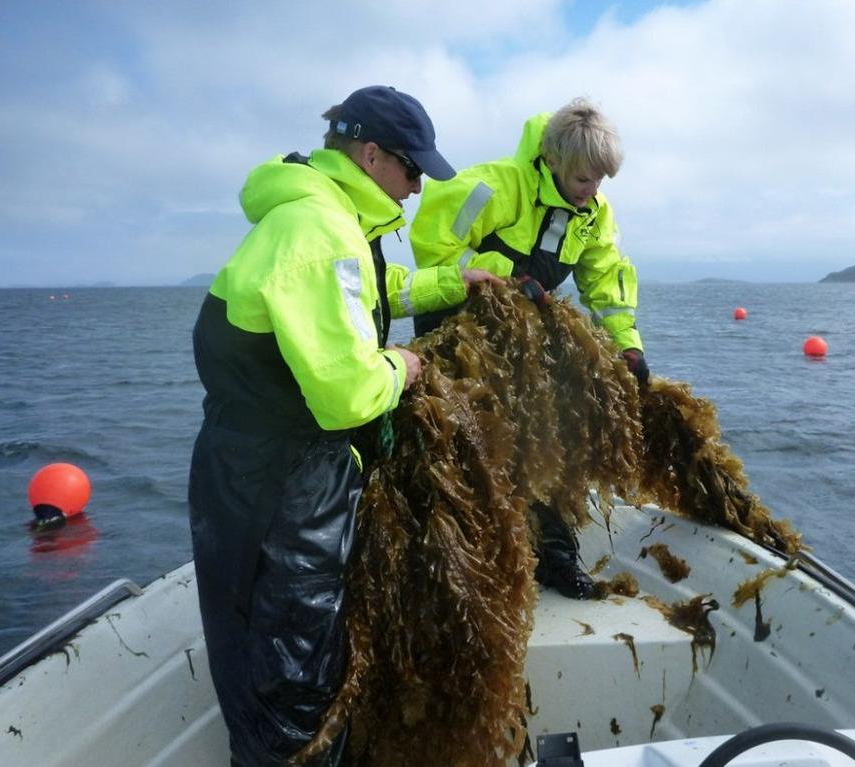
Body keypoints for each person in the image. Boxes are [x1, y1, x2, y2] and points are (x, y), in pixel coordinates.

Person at [188, 85, 500, 767]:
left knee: (275, 644)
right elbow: (349, 395)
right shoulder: (320, 232)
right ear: (371, 154)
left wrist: (455, 281)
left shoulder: (333, 221)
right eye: (412, 169)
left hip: (263, 463)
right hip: (279, 480)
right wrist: (406, 367)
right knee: (291, 675)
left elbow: (373, 297)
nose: (418, 187)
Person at [409, 97, 648, 600]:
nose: (592, 192)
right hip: (459, 327)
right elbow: (435, 248)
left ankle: (555, 555)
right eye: (584, 179)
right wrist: (500, 281)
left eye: (601, 181)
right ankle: (458, 565)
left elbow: (606, 279)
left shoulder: (593, 213)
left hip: (527, 335)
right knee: (465, 443)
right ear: (554, 159)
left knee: (549, 434)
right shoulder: (493, 185)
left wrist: (627, 346)